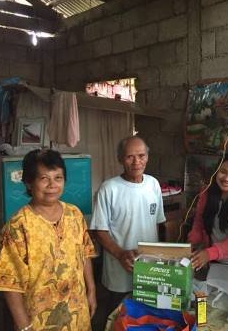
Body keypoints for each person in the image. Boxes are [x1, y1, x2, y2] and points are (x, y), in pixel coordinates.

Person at [0, 149, 97, 330]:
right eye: (44, 179)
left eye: (58, 178)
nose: (52, 185)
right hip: (38, 320)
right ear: (29, 183)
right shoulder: (18, 227)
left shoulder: (74, 214)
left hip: (77, 313)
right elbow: (9, 283)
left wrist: (91, 291)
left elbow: (85, 254)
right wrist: (25, 326)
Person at [89, 135, 166, 329]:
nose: (136, 162)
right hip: (119, 271)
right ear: (120, 159)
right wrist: (121, 254)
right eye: (130, 157)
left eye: (141, 155)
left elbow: (155, 224)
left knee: (146, 317)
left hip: (149, 268)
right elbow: (100, 230)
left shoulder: (153, 184)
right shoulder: (109, 189)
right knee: (119, 317)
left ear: (147, 157)